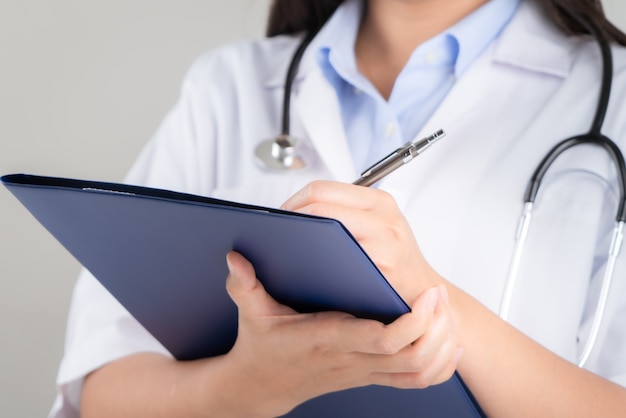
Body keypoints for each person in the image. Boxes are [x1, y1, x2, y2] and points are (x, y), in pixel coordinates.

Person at [50, 0, 626, 416]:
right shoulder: (227, 86)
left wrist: (432, 302)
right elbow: (101, 386)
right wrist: (248, 385)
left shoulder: (615, 97)